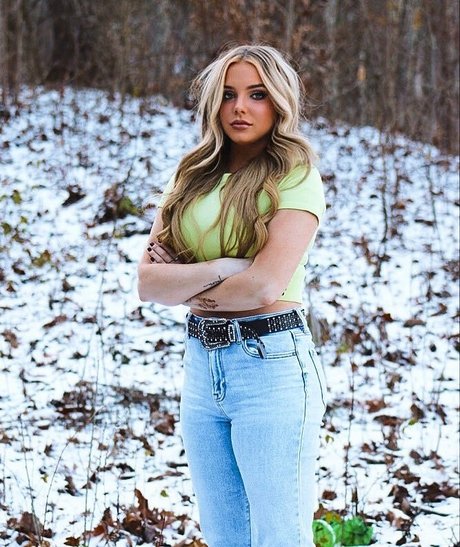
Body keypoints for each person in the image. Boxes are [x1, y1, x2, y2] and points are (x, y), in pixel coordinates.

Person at [137, 44, 328, 547]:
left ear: (279, 102)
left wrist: (187, 283)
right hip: (202, 366)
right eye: (227, 94)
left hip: (272, 365)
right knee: (226, 537)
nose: (239, 107)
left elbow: (264, 285)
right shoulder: (190, 176)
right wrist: (223, 270)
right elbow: (148, 283)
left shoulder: (295, 176)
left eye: (256, 94)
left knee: (280, 537)